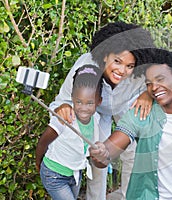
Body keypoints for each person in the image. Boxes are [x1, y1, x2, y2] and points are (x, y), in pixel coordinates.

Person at [89, 48, 172, 200]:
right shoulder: (141, 112)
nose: (154, 87)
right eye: (148, 84)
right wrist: (103, 152)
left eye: (160, 79)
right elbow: (114, 144)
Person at [48, 22, 155, 199]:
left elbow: (166, 79)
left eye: (129, 66)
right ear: (105, 54)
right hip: (95, 109)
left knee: (134, 149)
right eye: (117, 61)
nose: (122, 70)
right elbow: (62, 100)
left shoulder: (143, 70)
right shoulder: (85, 68)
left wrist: (147, 94)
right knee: (99, 153)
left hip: (127, 103)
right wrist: (64, 107)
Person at [36, 65, 104, 200]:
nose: (83, 109)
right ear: (72, 97)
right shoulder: (64, 119)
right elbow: (43, 142)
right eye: (79, 102)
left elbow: (88, 145)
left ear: (99, 101)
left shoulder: (96, 119)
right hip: (54, 175)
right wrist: (39, 163)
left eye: (90, 103)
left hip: (75, 174)